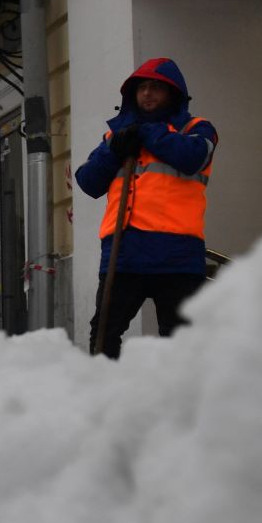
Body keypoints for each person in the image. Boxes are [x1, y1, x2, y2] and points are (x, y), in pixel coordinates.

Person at [74, 57, 217, 358]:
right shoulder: (116, 137)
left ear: (173, 94)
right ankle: (106, 393)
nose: (147, 94)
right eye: (142, 88)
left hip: (177, 253)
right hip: (125, 250)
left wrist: (146, 132)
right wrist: (114, 151)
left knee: (182, 339)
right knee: (104, 332)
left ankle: (180, 399)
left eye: (155, 88)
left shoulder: (197, 129)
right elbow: (88, 182)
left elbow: (191, 158)